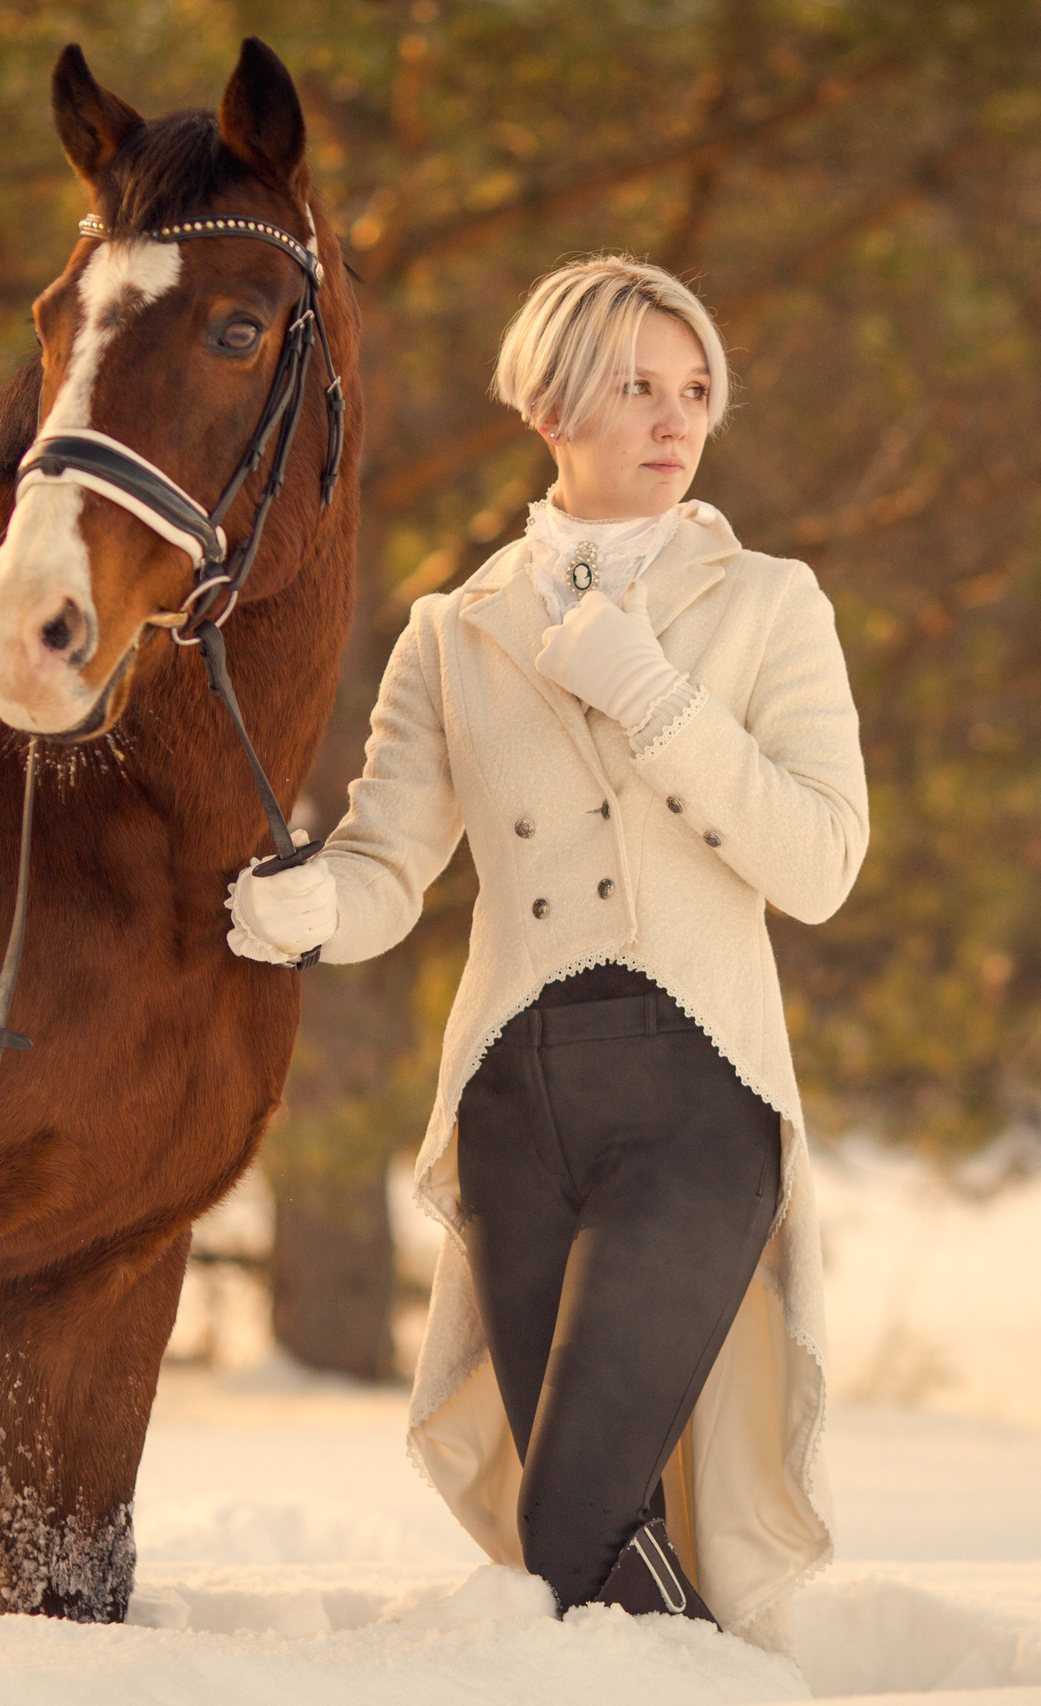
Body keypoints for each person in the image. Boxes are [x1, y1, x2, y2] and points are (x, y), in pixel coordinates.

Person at [225, 254, 868, 1650]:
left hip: (698, 1104)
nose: (674, 416)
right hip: (515, 1113)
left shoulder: (772, 604)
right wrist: (313, 911)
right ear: (552, 401)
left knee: (571, 1521)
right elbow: (394, 859)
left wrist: (646, 689)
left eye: (695, 389)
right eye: (637, 385)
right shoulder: (453, 632)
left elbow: (820, 861)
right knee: (580, 1536)